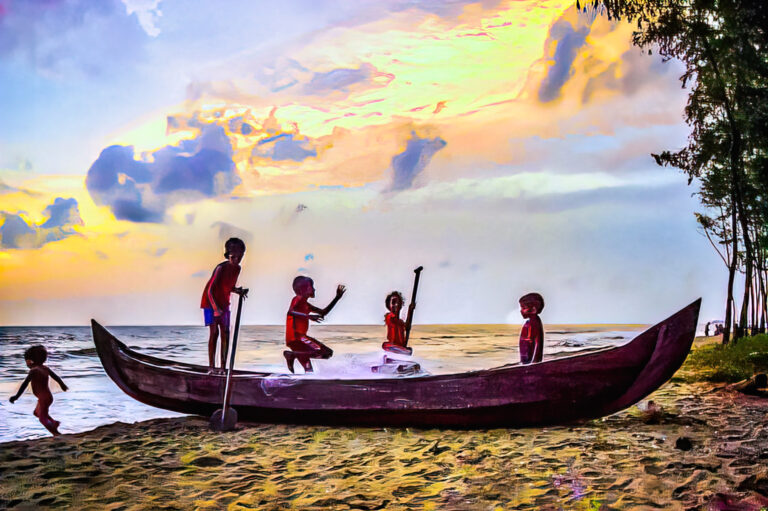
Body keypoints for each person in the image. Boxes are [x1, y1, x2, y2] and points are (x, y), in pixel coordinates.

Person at [201, 237, 248, 372]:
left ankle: (223, 367)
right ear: (228, 255)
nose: (237, 259)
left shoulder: (237, 269)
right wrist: (215, 309)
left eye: (240, 256)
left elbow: (228, 286)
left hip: (224, 303)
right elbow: (210, 290)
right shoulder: (220, 268)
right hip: (210, 303)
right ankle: (211, 367)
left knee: (226, 333)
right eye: (234, 256)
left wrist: (238, 291)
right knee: (214, 332)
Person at [284, 276, 346, 373]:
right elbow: (291, 312)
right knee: (326, 352)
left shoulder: (307, 305)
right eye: (311, 286)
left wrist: (337, 298)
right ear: (303, 289)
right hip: (297, 337)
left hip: (298, 339)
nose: (314, 289)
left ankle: (294, 355)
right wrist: (308, 316)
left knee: (309, 371)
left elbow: (323, 312)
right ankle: (293, 355)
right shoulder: (297, 299)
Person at [9, 345, 68, 436]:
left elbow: (25, 384)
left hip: (44, 399)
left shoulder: (34, 371)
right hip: (47, 397)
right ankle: (54, 423)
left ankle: (55, 433)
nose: (26, 363)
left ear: (31, 361)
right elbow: (56, 377)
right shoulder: (45, 368)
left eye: (26, 360)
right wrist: (62, 385)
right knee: (36, 413)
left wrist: (16, 396)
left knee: (42, 418)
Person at [382, 291, 413, 356]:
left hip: (400, 349)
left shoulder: (400, 322)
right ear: (388, 305)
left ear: (401, 304)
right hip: (392, 347)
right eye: (393, 302)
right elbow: (394, 319)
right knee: (386, 345)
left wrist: (410, 310)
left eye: (398, 302)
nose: (396, 305)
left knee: (409, 350)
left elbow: (407, 326)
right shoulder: (389, 317)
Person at [519, 292, 544, 364]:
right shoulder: (529, 323)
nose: (521, 311)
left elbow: (537, 344)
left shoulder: (534, 322)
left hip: (531, 364)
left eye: (524, 308)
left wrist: (534, 363)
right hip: (526, 362)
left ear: (533, 310)